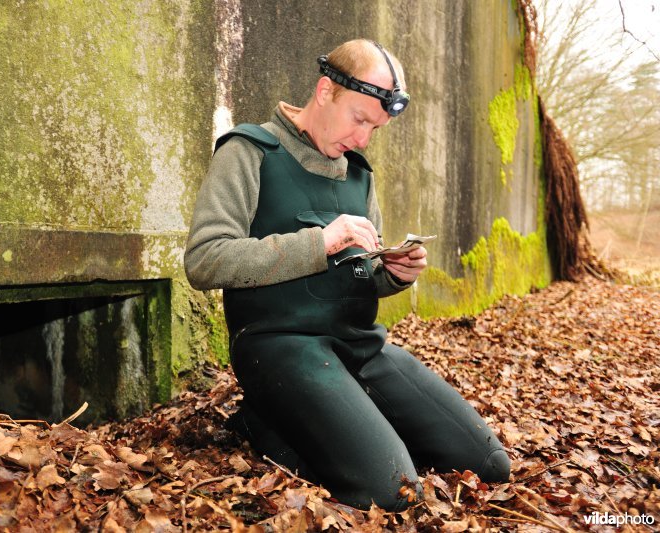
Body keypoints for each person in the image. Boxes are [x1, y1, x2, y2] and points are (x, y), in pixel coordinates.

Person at [184, 38, 510, 511]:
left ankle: (350, 426)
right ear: (324, 91)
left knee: (488, 462)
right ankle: (267, 421)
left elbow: (361, 275)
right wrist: (321, 242)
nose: (363, 140)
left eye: (375, 129)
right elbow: (204, 259)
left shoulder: (359, 174)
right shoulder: (248, 151)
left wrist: (394, 274)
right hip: (279, 347)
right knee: (394, 492)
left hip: (358, 346)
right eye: (359, 120)